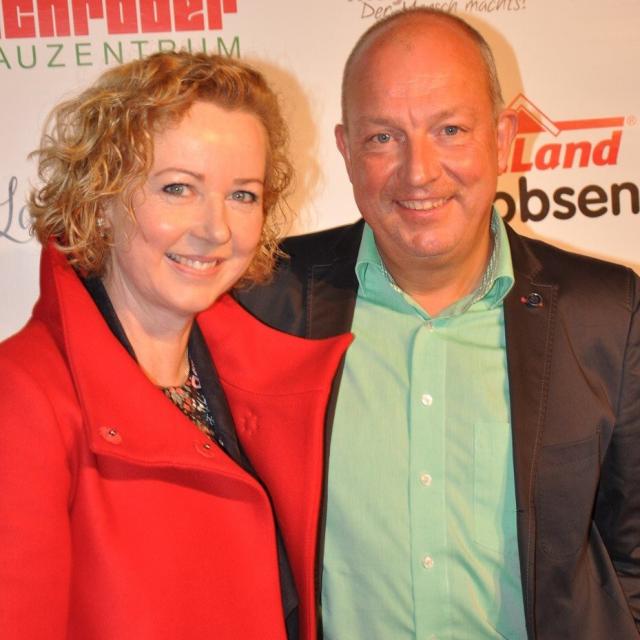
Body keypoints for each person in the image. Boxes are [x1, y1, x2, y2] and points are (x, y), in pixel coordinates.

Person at [237, 8, 640, 640]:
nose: (419, 171)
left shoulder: (608, 313)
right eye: (383, 137)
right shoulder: (263, 300)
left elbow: (632, 552)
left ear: (503, 136)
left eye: (450, 129)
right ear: (346, 150)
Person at [0, 51, 350, 640]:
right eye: (178, 188)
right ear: (100, 201)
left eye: (243, 195)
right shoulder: (23, 397)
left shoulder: (259, 380)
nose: (216, 229)